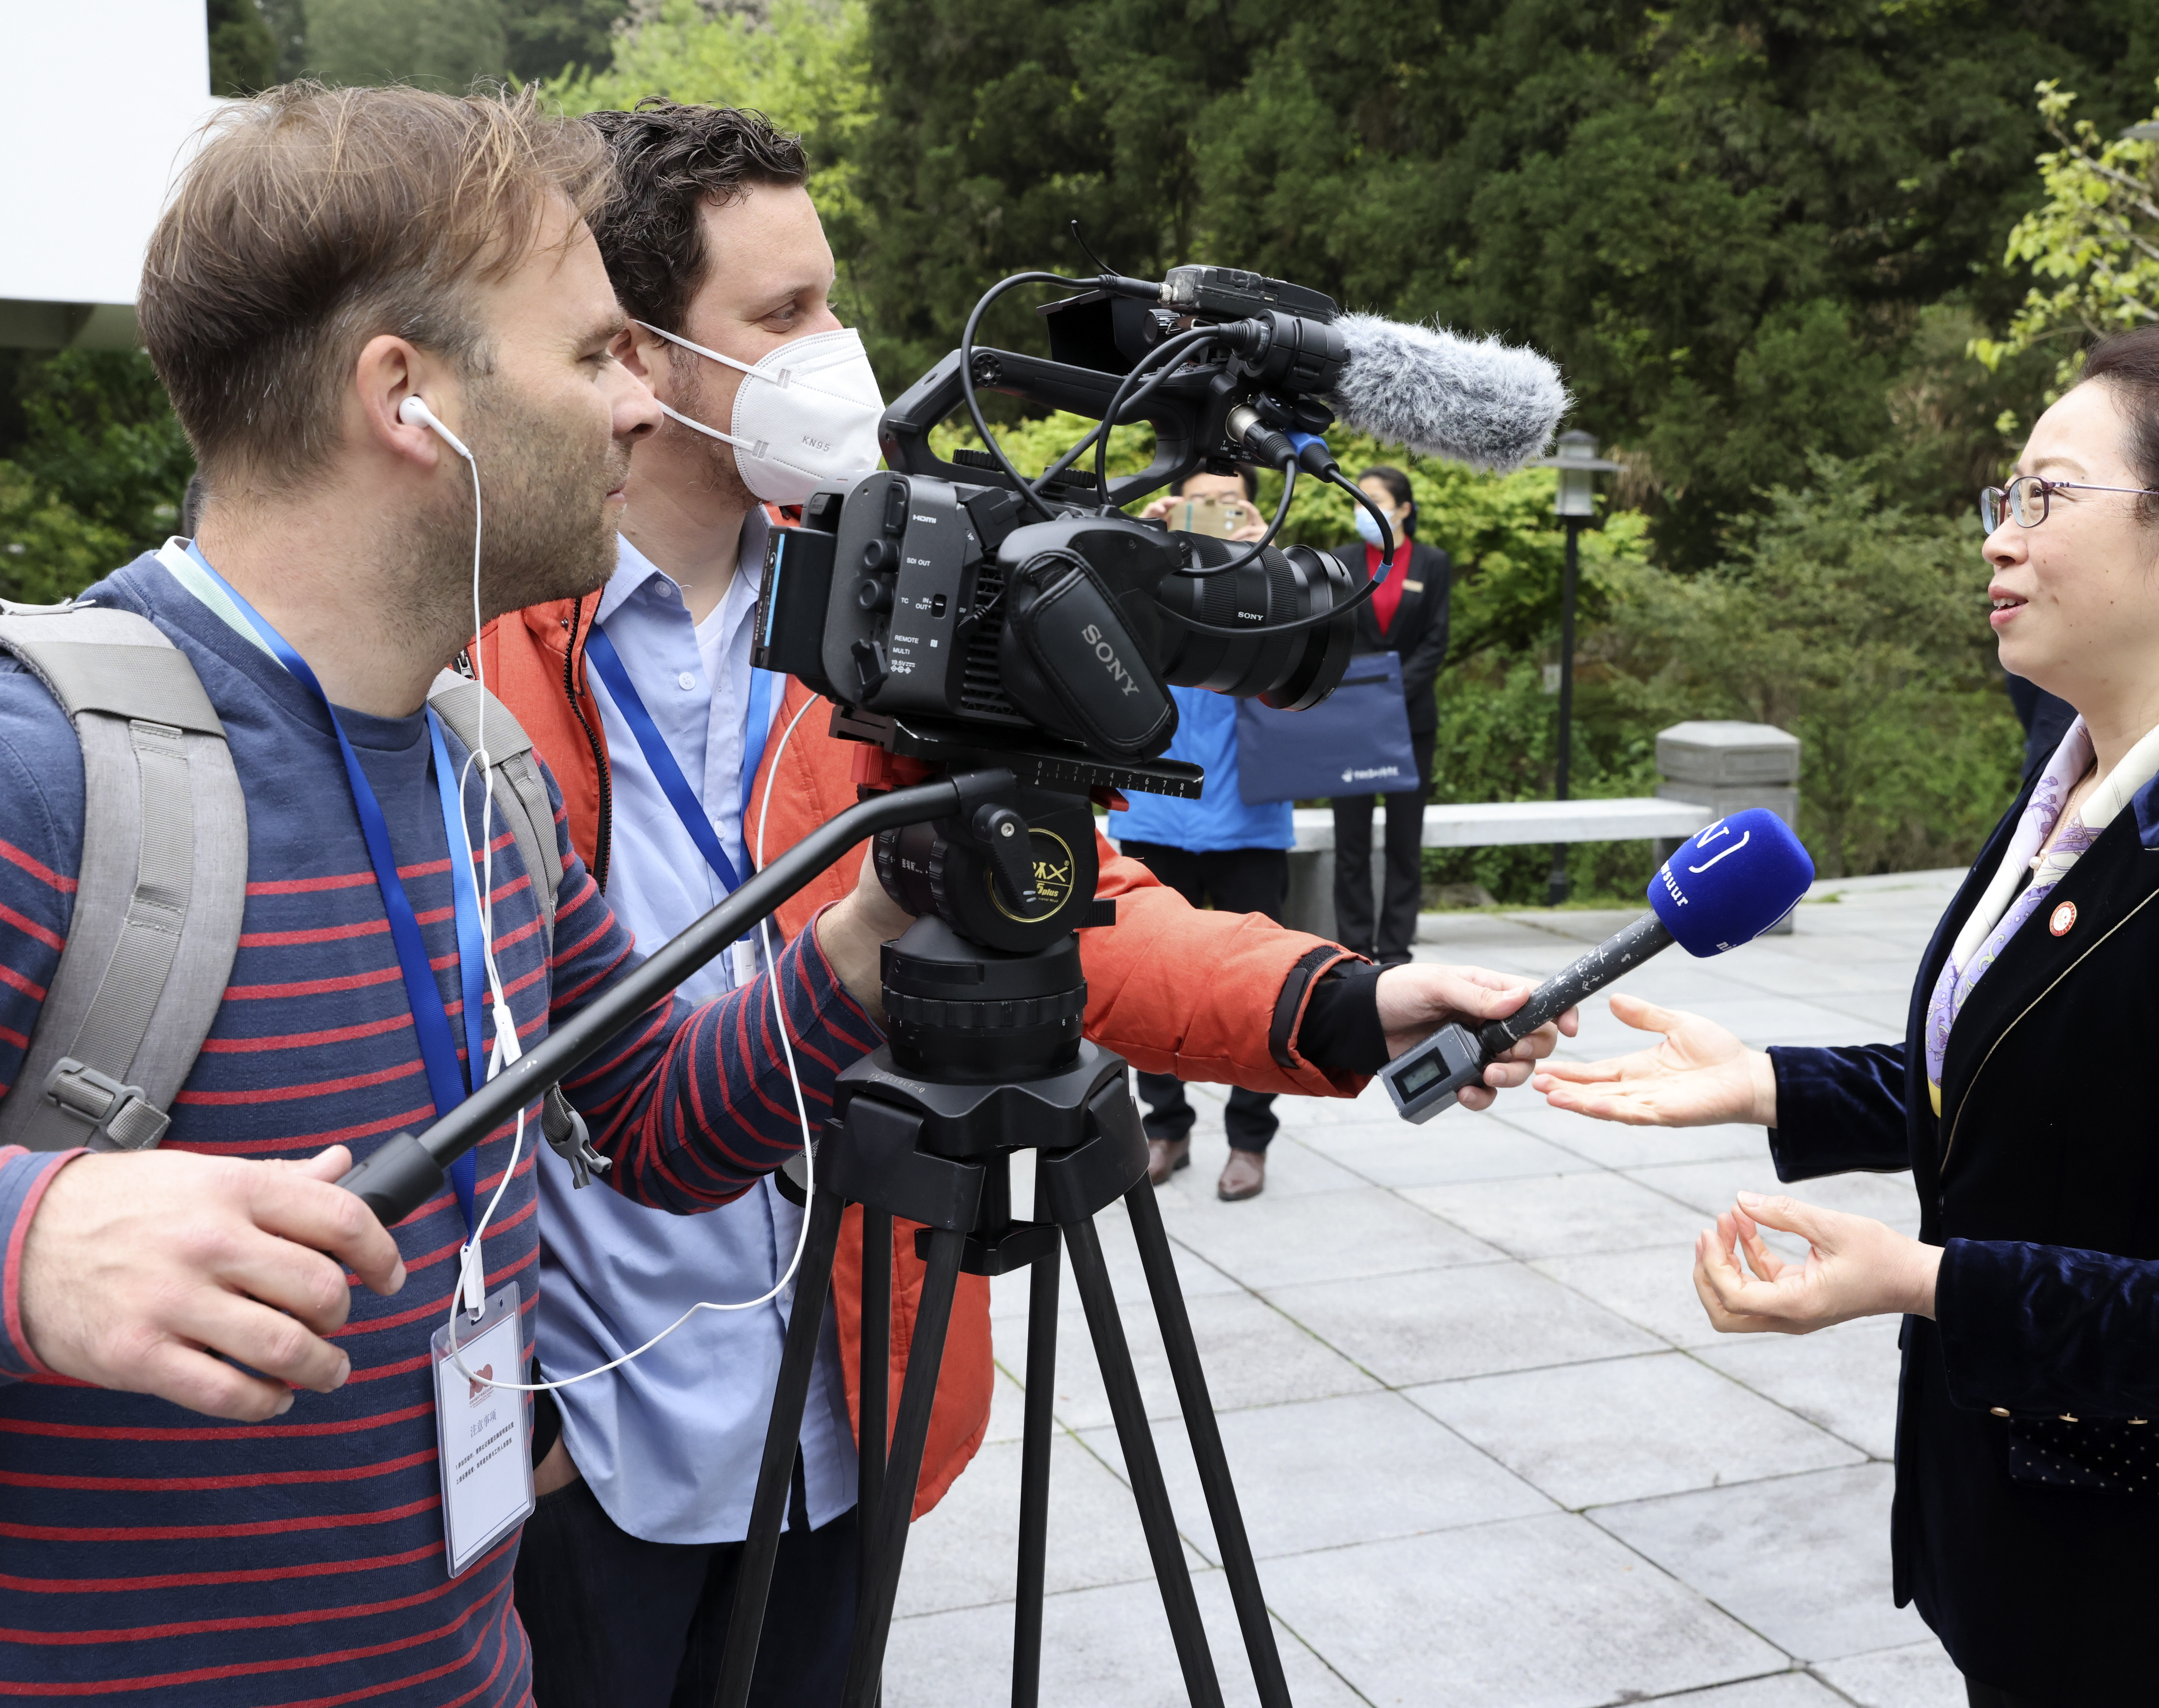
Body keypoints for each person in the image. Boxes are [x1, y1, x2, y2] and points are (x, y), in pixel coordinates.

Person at [473, 101, 1570, 1705]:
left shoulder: (899, 592)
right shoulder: (484, 625)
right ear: (635, 352)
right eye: (782, 317)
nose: (838, 350)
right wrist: (505, 1397)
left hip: (841, 1388)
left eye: (831, 299)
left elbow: (1074, 898)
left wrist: (1341, 1000)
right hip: (577, 1438)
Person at [0, 82, 931, 1706]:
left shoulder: (473, 765)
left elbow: (658, 1115)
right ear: (411, 396)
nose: (638, 406)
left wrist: (879, 923)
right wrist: (10, 1246)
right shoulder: (32, 772)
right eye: (599, 352)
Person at [1534, 330, 2159, 1708]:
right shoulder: (2075, 769)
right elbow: (2043, 1074)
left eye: (2047, 498)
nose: (2000, 539)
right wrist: (1771, 1085)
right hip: (2027, 1542)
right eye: (2002, 498)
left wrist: (1925, 1279)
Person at [1121, 469, 1294, 1202]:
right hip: (1156, 809)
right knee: (1146, 982)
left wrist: (1269, 560)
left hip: (1249, 813)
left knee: (1263, 984)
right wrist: (1139, 540)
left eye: (1226, 503)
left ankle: (1250, 1137)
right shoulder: (1146, 566)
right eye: (1197, 501)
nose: (1210, 516)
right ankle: (1165, 1125)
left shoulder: (1275, 573)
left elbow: (1303, 669)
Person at [1329, 464, 1450, 965]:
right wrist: (1362, 696)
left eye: (1375, 499)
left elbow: (1435, 640)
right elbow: (1331, 635)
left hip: (1409, 720)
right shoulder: (1340, 560)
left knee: (1404, 840)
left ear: (1403, 509)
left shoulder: (1432, 562)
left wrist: (1393, 693)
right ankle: (1355, 946)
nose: (1364, 507)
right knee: (1351, 842)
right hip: (1352, 721)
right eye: (1359, 498)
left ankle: (1397, 949)